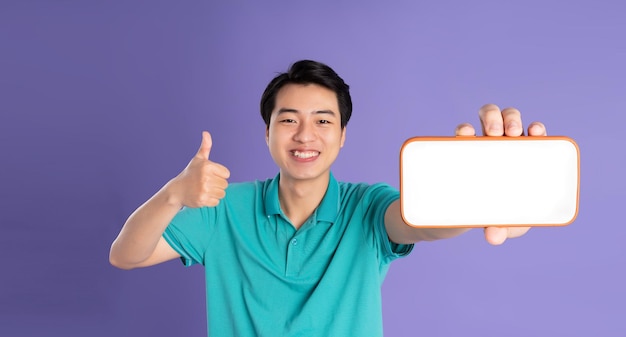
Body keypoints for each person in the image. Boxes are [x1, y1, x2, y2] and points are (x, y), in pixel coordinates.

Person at [109, 60, 547, 336]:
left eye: (323, 120)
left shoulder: (368, 208)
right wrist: (172, 195)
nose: (305, 135)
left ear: (341, 137)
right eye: (289, 120)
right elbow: (126, 255)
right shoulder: (221, 210)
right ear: (266, 134)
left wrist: (478, 190)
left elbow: (424, 220)